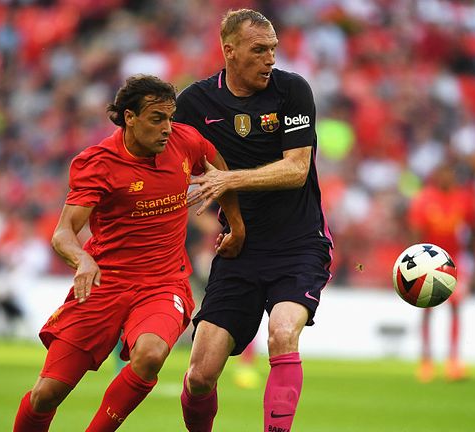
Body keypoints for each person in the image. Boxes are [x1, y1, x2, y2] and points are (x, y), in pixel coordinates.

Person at [12, 74, 244, 432]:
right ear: (129, 117)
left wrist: (235, 224)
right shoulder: (98, 163)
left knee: (151, 354)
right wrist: (82, 259)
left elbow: (222, 173)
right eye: (157, 118)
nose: (167, 127)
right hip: (105, 284)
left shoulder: (186, 141)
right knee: (47, 394)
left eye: (170, 117)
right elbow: (63, 234)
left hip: (162, 283)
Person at [175, 9, 333, 431]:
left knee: (283, 333)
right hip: (240, 248)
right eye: (259, 50)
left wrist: (230, 177)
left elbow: (297, 169)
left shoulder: (291, 91)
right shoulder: (195, 103)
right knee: (200, 375)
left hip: (299, 244)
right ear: (229, 50)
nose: (270, 59)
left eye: (273, 50)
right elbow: (172, 166)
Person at [407, 163, 475, 382]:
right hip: (429, 258)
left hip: (455, 260)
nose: (447, 177)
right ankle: (426, 361)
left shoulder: (464, 198)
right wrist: (417, 261)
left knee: (456, 306)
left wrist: (472, 258)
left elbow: (473, 227)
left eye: (451, 173)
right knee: (428, 306)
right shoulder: (425, 198)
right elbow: (416, 230)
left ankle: (453, 360)